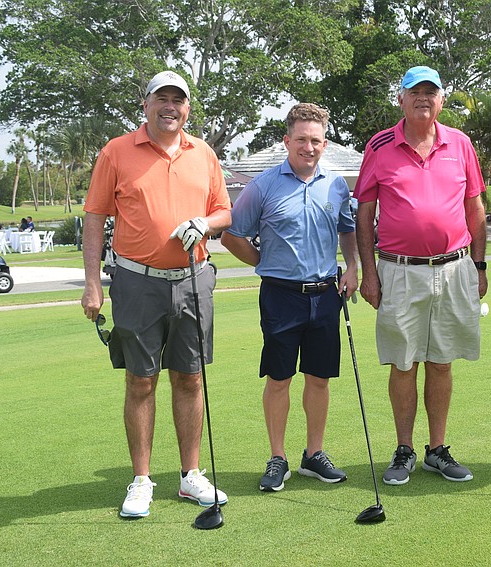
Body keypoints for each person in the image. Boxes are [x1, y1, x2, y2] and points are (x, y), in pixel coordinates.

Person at [80, 70, 233, 518]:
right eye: (161, 98)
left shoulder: (203, 153)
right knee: (141, 380)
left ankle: (190, 476)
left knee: (190, 377)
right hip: (136, 281)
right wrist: (92, 283)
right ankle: (142, 479)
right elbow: (95, 218)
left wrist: (206, 223)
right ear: (146, 105)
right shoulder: (116, 151)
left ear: (187, 108)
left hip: (193, 278)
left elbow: (224, 210)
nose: (170, 107)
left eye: (178, 100)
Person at [353, 65, 487, 485]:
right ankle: (404, 449)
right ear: (401, 99)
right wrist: (369, 273)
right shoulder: (379, 145)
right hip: (399, 270)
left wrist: (480, 266)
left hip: (454, 268)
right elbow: (364, 214)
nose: (423, 99)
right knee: (404, 363)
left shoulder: (460, 143)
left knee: (442, 363)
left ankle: (437, 449)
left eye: (431, 92)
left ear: (441, 100)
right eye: (415, 92)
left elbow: (475, 208)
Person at [221, 103, 358, 493]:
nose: (308, 147)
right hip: (281, 296)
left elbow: (347, 228)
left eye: (315, 140)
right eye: (301, 139)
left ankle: (314, 455)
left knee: (319, 378)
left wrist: (353, 266)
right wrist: (262, 262)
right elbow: (232, 235)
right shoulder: (262, 185)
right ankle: (277, 457)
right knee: (279, 378)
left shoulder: (336, 185)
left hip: (326, 295)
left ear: (324, 143)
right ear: (287, 140)